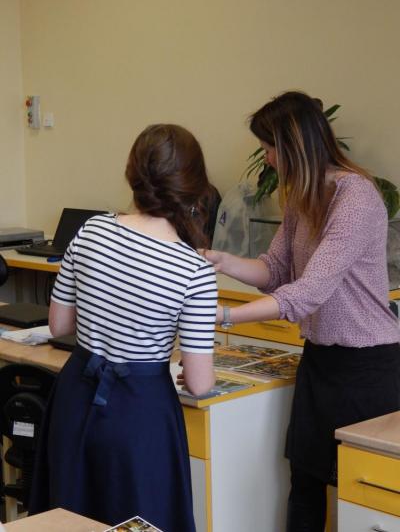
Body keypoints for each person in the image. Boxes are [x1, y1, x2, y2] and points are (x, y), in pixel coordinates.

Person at [203, 91, 400, 532]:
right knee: (305, 484)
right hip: (321, 362)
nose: (267, 159)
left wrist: (224, 317)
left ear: (294, 145)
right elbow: (274, 270)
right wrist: (222, 261)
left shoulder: (357, 198)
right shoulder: (299, 197)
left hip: (367, 369)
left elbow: (306, 292)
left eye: (270, 148)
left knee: (361, 496)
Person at [29, 124, 217, 531]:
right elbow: (200, 384)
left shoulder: (92, 231)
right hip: (141, 415)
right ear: (193, 185)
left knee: (67, 517)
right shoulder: (194, 270)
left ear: (132, 172)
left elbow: (59, 323)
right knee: (139, 518)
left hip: (75, 397)